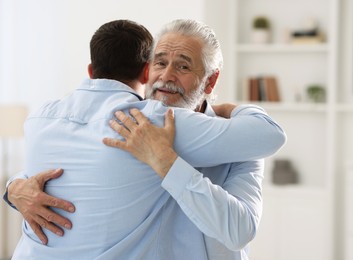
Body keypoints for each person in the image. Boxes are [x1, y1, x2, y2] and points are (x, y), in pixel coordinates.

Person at [5, 19, 286, 259]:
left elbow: (239, 230)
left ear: (210, 82)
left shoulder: (242, 144)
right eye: (160, 62)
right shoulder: (133, 120)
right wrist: (14, 188)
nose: (166, 76)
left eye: (183, 67)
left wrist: (167, 161)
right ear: (145, 70)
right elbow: (77, 163)